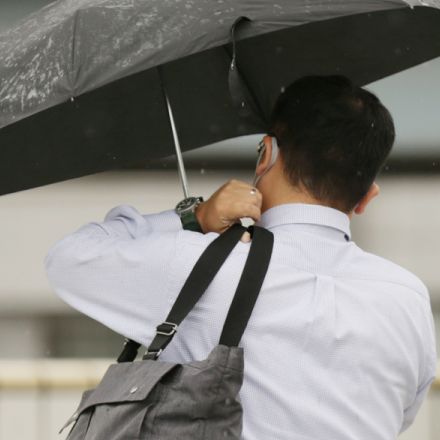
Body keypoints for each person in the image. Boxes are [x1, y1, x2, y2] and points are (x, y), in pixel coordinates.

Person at [45, 75, 437, 440]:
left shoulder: (201, 267)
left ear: (266, 153)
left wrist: (194, 218)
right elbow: (400, 414)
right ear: (368, 194)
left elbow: (69, 258)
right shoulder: (407, 296)